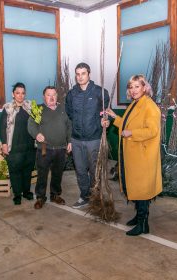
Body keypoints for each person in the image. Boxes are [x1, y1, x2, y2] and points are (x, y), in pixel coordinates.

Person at [105, 74, 162, 236]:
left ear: (144, 87)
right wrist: (115, 117)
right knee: (136, 189)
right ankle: (139, 217)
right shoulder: (135, 104)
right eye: (131, 87)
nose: (134, 90)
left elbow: (152, 130)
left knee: (142, 191)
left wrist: (132, 133)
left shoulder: (149, 106)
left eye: (137, 86)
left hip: (143, 157)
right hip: (134, 155)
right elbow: (127, 123)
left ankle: (143, 224)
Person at [66, 62, 109, 208]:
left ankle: (95, 195)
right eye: (77, 74)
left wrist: (104, 121)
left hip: (94, 139)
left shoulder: (100, 92)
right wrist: (71, 137)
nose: (80, 77)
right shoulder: (72, 94)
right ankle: (84, 196)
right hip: (77, 139)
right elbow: (70, 114)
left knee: (94, 169)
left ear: (89, 74)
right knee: (80, 170)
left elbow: (105, 113)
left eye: (83, 73)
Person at [28, 86, 72, 209]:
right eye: (48, 95)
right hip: (44, 149)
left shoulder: (63, 109)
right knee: (42, 174)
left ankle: (55, 195)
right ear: (44, 97)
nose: (51, 97)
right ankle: (41, 197)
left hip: (61, 149)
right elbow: (31, 125)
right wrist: (37, 134)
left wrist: (70, 140)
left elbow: (69, 126)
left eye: (54, 95)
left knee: (57, 174)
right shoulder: (39, 110)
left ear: (57, 96)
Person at [0, 82, 36, 205]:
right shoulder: (8, 108)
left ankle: (26, 192)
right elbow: (2, 127)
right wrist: (4, 144)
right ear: (13, 94)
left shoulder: (30, 107)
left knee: (27, 170)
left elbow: (38, 123)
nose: (20, 96)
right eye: (17, 93)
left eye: (23, 93)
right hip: (14, 147)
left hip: (29, 146)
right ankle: (17, 195)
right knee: (15, 171)